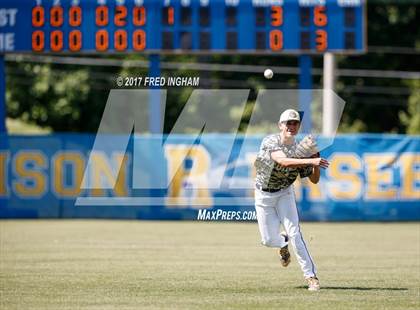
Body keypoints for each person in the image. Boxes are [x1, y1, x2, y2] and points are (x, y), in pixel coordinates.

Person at [254, 108, 329, 291]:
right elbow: (283, 161)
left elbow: (314, 179)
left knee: (295, 233)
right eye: (288, 123)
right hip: (263, 194)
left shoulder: (302, 150)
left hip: (285, 193)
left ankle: (311, 277)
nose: (292, 126)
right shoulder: (270, 140)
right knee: (268, 240)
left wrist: (315, 158)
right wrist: (310, 161)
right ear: (281, 125)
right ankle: (282, 242)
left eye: (295, 123)